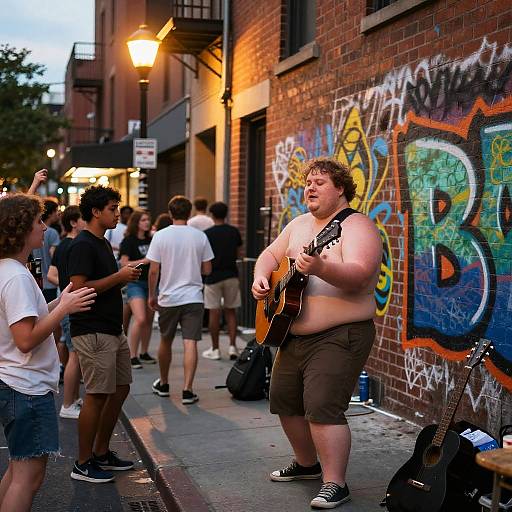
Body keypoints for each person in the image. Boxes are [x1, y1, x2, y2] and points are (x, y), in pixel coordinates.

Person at [251, 157, 382, 509]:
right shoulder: (298, 224)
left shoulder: (356, 226)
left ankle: (335, 483)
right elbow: (268, 255)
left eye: (320, 182)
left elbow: (361, 275)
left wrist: (321, 266)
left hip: (340, 334)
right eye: (308, 182)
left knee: (323, 408)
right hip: (292, 332)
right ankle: (307, 465)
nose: (310, 187)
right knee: (284, 401)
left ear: (340, 189)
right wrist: (261, 278)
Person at [0, 194, 96, 512]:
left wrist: (59, 301)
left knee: (17, 472)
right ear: (20, 230)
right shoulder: (14, 276)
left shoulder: (10, 270)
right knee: (28, 478)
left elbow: (30, 319)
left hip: (18, 385)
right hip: (25, 387)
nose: (44, 227)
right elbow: (25, 339)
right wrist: (65, 307)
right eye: (38, 221)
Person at [67, 186, 141, 483]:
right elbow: (78, 288)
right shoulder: (83, 244)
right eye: (112, 208)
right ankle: (82, 463)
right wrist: (119, 277)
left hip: (112, 329)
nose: (116, 213)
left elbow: (104, 283)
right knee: (96, 395)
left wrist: (122, 274)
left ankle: (101, 452)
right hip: (93, 329)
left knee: (120, 387)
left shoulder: (102, 242)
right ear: (95, 211)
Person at [147, 195, 214, 404]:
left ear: (170, 213)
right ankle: (187, 390)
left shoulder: (160, 236)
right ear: (189, 213)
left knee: (165, 340)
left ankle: (164, 383)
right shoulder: (199, 236)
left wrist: (152, 294)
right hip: (193, 296)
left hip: (168, 297)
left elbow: (153, 270)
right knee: (190, 343)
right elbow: (207, 269)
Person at [47, 206, 87, 419]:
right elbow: (53, 274)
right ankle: (68, 404)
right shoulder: (73, 246)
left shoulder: (63, 245)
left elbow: (52, 274)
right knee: (75, 354)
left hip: (67, 302)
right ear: (73, 222)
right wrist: (69, 290)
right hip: (71, 306)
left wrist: (64, 288)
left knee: (74, 352)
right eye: (83, 218)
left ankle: (73, 399)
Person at [202, 201, 243, 361]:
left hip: (213, 276)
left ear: (212, 215)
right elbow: (238, 253)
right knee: (231, 311)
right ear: (226, 214)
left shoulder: (207, 233)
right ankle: (233, 347)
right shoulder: (234, 231)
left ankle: (215, 348)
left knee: (213, 312)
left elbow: (204, 257)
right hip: (231, 274)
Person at [118, 209, 155, 369]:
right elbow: (123, 263)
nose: (146, 222)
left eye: (148, 219)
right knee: (139, 319)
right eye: (143, 220)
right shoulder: (129, 241)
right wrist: (144, 261)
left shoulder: (152, 239)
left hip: (152, 283)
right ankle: (132, 355)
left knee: (148, 320)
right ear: (136, 223)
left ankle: (144, 352)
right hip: (135, 283)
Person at [33, 198, 60, 303]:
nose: (57, 214)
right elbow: (54, 255)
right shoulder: (52, 232)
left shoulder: (35, 232)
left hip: (37, 281)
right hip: (50, 283)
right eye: (55, 211)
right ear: (50, 214)